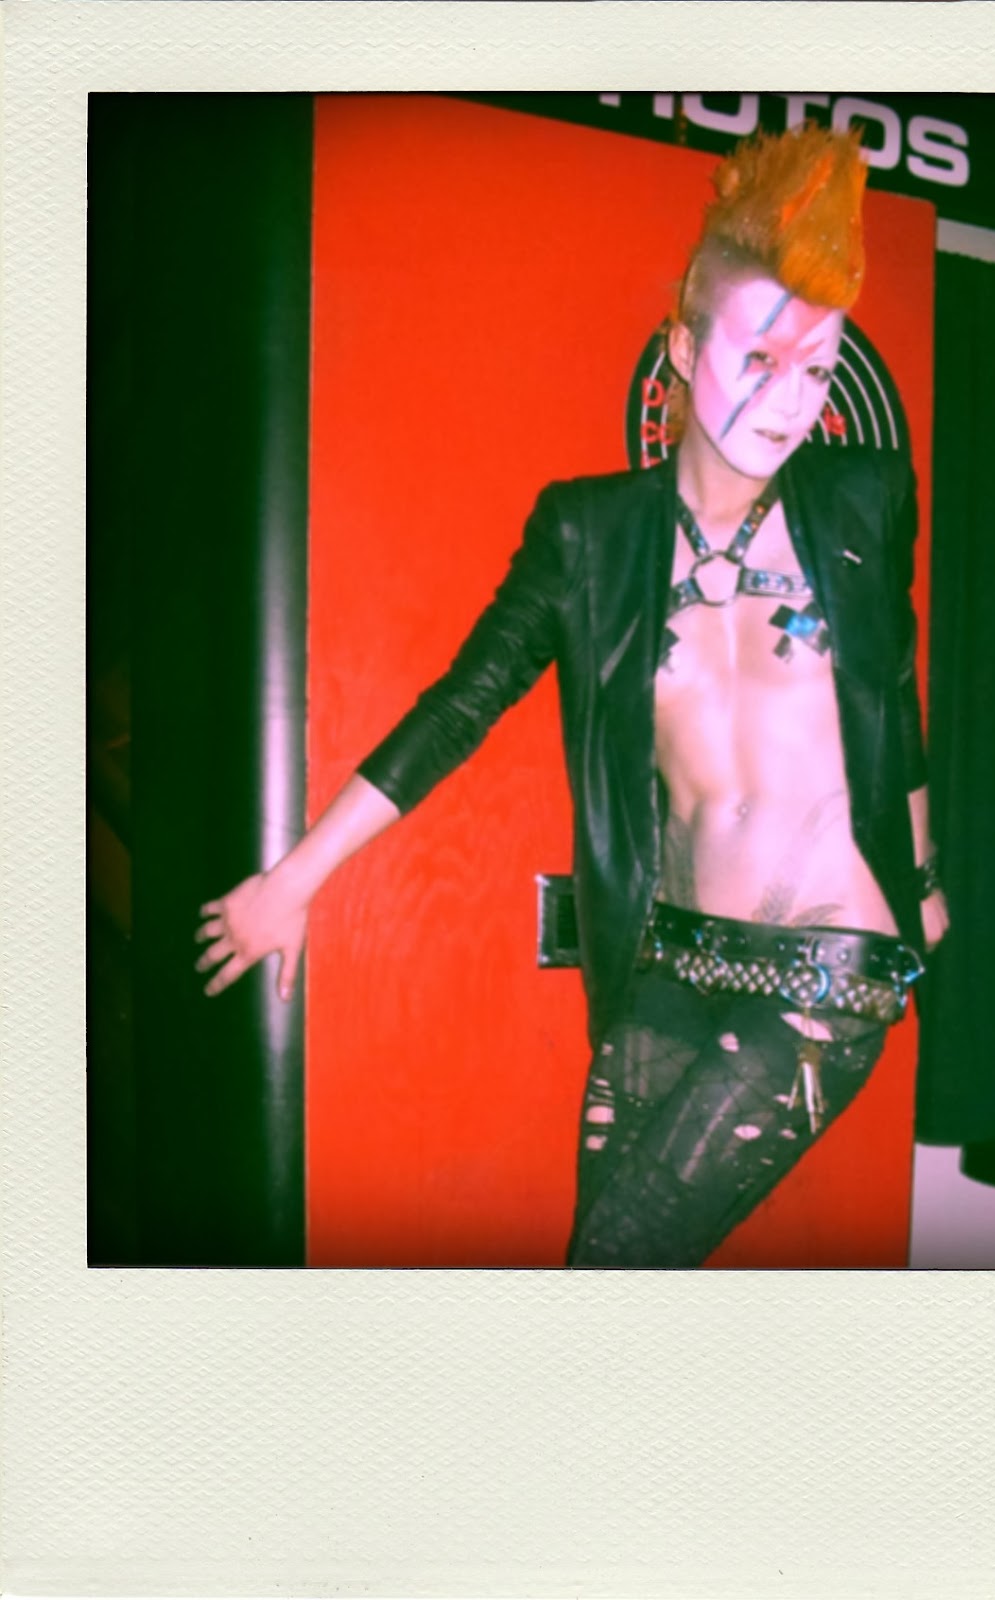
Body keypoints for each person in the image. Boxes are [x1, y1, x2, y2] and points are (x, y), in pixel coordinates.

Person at [196, 123, 949, 1267]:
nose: (791, 400)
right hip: (664, 956)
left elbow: (891, 695)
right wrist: (292, 878)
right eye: (758, 358)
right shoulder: (587, 535)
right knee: (603, 1269)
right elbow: (462, 703)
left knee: (611, 1266)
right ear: (682, 345)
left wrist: (923, 878)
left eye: (815, 368)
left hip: (827, 959)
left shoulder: (864, 497)